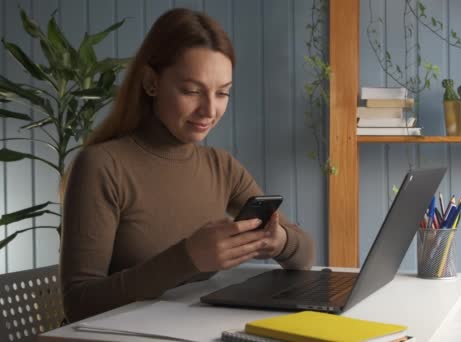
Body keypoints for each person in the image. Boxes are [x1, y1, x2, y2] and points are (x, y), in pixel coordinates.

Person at [60, 8, 314, 323]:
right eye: (192, 91)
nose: (210, 109)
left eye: (223, 93)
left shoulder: (222, 167)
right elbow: (79, 304)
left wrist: (278, 241)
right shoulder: (102, 166)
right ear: (151, 82)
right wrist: (188, 258)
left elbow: (304, 254)